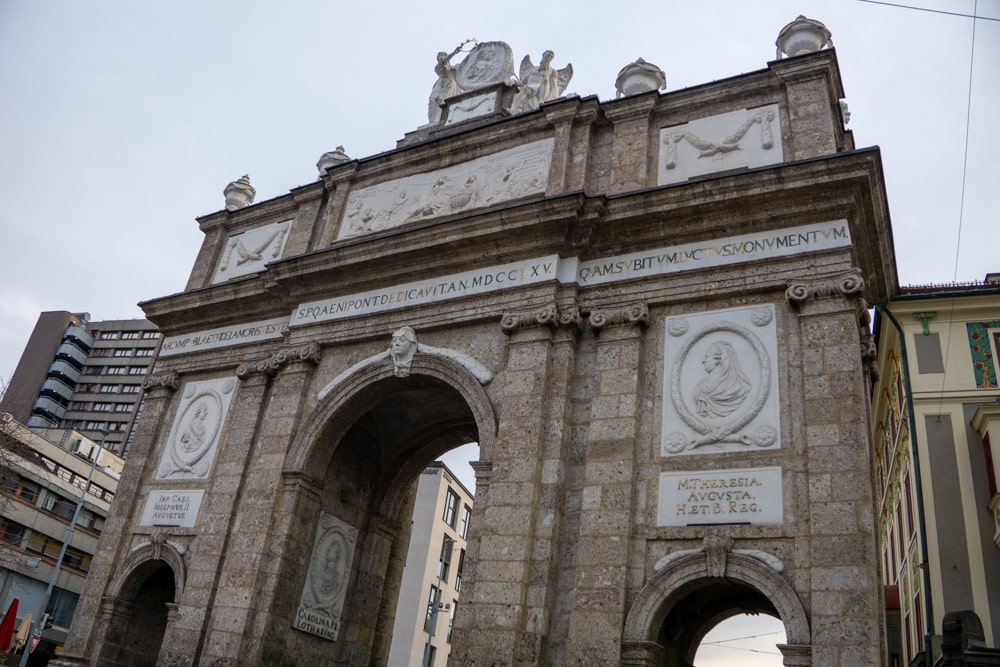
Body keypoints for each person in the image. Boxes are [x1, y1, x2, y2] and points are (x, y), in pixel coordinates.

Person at [692, 341, 752, 418]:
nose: (703, 361)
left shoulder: (738, 386)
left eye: (707, 357)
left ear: (718, 359)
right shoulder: (699, 388)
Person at [428, 45, 465, 123]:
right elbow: (444, 61)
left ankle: (442, 119)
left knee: (445, 102)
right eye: (440, 55)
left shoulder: (453, 68)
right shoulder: (438, 67)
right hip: (440, 84)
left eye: (444, 54)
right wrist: (454, 52)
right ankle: (434, 121)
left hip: (450, 85)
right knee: (432, 100)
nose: (442, 56)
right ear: (438, 58)